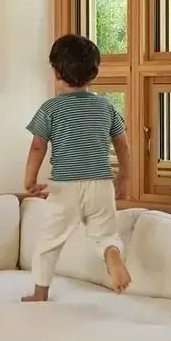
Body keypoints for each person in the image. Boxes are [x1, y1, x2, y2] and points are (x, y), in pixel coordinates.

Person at [23, 34, 131, 301]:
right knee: (105, 234)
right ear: (94, 73)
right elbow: (123, 145)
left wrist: (30, 179)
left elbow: (38, 147)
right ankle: (112, 257)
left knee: (49, 243)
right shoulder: (105, 106)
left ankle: (40, 293)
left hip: (65, 186)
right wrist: (124, 179)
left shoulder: (50, 109)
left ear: (56, 71)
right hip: (101, 184)